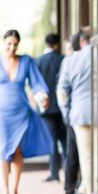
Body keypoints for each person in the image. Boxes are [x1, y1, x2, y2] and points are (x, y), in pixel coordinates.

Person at [0, 29, 51, 194]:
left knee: (17, 151)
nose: (12, 47)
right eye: (9, 44)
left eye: (15, 44)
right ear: (4, 43)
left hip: (20, 113)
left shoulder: (25, 61)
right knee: (2, 151)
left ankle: (14, 191)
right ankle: (4, 193)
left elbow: (36, 83)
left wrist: (42, 96)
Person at [58, 29, 92, 194]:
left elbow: (62, 91)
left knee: (84, 155)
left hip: (78, 113)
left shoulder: (70, 61)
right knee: (97, 155)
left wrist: (66, 113)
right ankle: (84, 190)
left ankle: (83, 191)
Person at [36, 33, 66, 182]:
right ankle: (68, 172)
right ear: (57, 45)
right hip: (62, 108)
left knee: (52, 141)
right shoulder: (63, 60)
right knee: (66, 141)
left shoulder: (39, 62)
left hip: (46, 110)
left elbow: (35, 86)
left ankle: (54, 173)